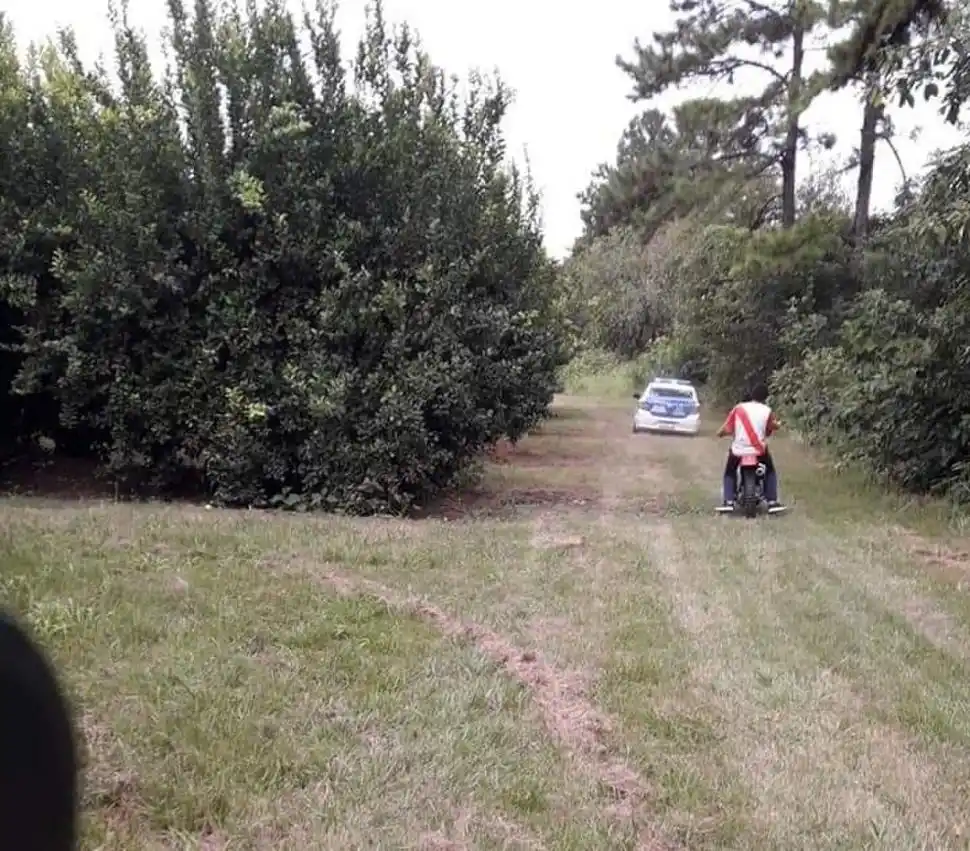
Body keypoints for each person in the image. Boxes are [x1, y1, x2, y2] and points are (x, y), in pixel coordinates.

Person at [716, 383, 784, 510]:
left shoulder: (738, 408)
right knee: (770, 470)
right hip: (759, 450)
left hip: (738, 450)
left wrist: (720, 433)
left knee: (730, 472)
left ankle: (729, 501)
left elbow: (728, 428)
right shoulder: (767, 410)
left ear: (751, 395)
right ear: (765, 398)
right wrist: (779, 424)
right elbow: (772, 426)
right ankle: (772, 501)